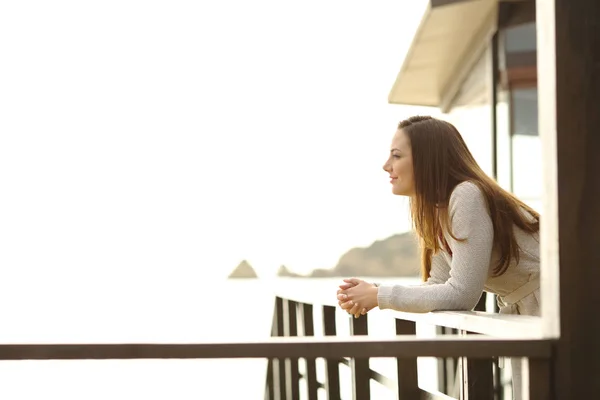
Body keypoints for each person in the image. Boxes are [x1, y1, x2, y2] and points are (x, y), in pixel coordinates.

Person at [336, 115, 540, 400]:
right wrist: (373, 292)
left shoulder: (466, 195)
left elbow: (462, 294)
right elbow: (439, 284)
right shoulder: (439, 210)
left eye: (396, 155)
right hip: (533, 313)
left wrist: (380, 295)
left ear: (425, 159)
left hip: (563, 303)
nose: (386, 166)